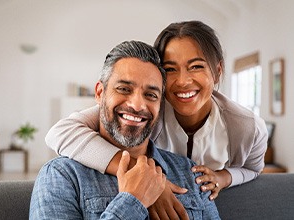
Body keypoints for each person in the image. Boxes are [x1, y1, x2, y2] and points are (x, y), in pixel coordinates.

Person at [45, 21, 268, 217]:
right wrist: (145, 179)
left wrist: (224, 177)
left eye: (196, 66)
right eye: (170, 69)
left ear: (217, 71)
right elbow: (60, 132)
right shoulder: (146, 112)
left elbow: (254, 168)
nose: (182, 81)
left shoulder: (245, 126)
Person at [30, 40, 220, 219]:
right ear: (100, 93)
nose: (137, 105)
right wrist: (132, 201)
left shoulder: (189, 172)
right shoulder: (61, 176)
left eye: (150, 95)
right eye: (124, 89)